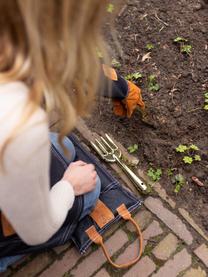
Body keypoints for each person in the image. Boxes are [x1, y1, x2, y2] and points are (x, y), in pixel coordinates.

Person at [0, 0, 145, 272]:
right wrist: (68, 187)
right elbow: (37, 229)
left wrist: (119, 86)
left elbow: (60, 58)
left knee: (59, 145)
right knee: (89, 191)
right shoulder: (14, 121)